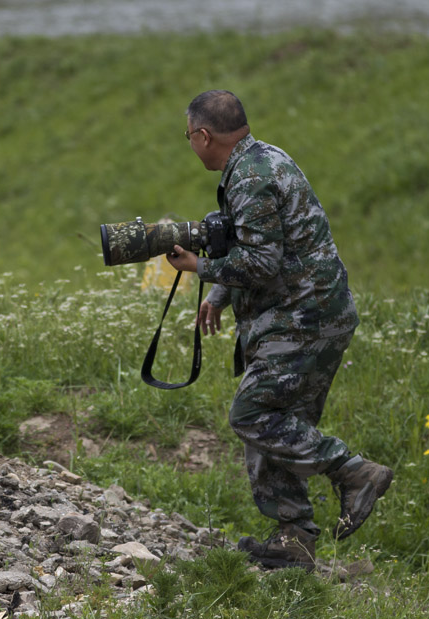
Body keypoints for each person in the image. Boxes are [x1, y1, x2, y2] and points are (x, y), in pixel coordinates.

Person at [166, 90, 392, 570]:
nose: (190, 145)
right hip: (310, 314)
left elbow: (262, 261)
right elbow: (252, 241)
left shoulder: (250, 178)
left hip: (303, 319)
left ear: (203, 135)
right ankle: (294, 540)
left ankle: (354, 473)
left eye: (188, 137)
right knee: (277, 425)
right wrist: (221, 295)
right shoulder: (263, 159)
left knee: (252, 414)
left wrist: (199, 268)